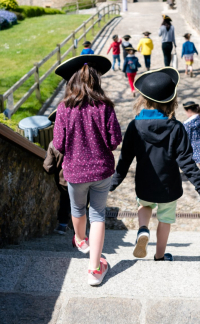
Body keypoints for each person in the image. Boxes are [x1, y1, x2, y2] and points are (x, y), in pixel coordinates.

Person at [110, 67, 200, 261]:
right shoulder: (176, 128)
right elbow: (187, 162)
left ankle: (143, 230)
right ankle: (159, 255)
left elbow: (125, 159)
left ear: (144, 100)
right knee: (165, 219)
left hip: (144, 183)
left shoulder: (135, 126)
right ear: (172, 101)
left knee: (144, 207)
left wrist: (112, 184)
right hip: (169, 187)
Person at [53, 55, 122, 286]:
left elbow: (60, 144)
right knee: (98, 214)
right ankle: (94, 269)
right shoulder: (105, 107)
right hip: (102, 171)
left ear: (71, 81)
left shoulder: (63, 108)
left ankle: (81, 240)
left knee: (77, 208)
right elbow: (114, 141)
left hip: (75, 171)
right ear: (96, 81)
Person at [43, 109, 71, 235]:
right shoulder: (80, 140)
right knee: (82, 203)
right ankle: (82, 230)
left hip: (63, 182)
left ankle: (62, 225)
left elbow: (48, 167)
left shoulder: (53, 144)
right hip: (82, 179)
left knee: (65, 201)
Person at [183, 101, 200, 186]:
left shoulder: (187, 124)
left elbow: (186, 136)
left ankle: (196, 181)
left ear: (189, 110)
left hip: (192, 146)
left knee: (190, 164)